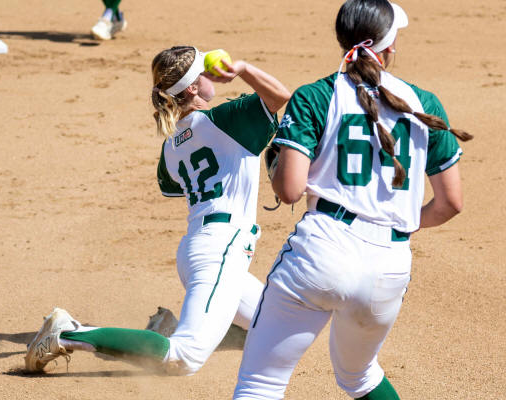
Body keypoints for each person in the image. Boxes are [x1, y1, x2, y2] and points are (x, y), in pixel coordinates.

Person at [233, 1, 473, 399]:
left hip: (322, 251)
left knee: (261, 384)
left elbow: (289, 190)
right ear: (389, 47)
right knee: (359, 377)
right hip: (389, 266)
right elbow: (450, 203)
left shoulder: (316, 95)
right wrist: (394, 222)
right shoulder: (424, 103)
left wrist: (275, 164)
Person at [24, 46, 291, 375]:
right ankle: (67, 333)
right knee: (185, 358)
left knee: (281, 326)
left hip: (198, 250)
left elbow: (173, 183)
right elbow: (280, 96)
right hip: (221, 250)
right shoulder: (228, 120)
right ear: (192, 88)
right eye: (204, 73)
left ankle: (165, 334)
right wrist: (244, 68)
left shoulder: (171, 145)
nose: (212, 75)